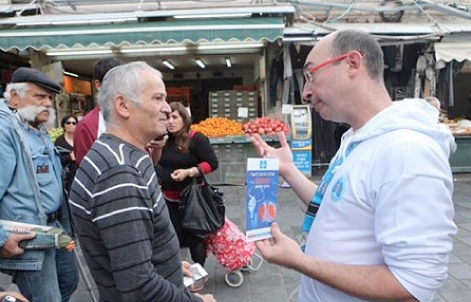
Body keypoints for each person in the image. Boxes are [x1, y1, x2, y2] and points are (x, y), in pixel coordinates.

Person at [251, 29, 457, 302]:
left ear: (352, 64)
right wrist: (289, 170)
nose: (306, 92)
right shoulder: (358, 138)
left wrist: (301, 261)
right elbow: (335, 205)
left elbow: (411, 287)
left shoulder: (407, 152)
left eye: (311, 75)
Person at [68, 62, 216, 302]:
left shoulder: (127, 154)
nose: (167, 109)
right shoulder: (118, 173)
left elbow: (129, 250)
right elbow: (138, 286)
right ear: (123, 106)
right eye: (158, 98)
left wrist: (169, 263)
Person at [0, 67, 79, 302]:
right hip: (28, 234)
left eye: (50, 98)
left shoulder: (36, 128)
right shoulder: (5, 131)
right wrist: (2, 239)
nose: (47, 103)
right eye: (39, 96)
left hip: (55, 229)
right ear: (15, 96)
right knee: (46, 297)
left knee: (69, 280)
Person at [154, 102, 219, 291]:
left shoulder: (196, 139)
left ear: (184, 118)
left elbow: (212, 163)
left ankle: (199, 274)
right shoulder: (164, 140)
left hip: (191, 199)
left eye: (175, 117)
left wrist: (189, 172)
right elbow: (157, 163)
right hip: (168, 198)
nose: (170, 122)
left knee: (194, 236)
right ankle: (179, 272)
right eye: (167, 118)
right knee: (170, 235)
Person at [73, 58, 124, 166]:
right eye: (111, 82)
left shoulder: (134, 117)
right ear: (98, 85)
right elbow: (85, 170)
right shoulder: (87, 126)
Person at [55, 114, 78, 193]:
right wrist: (70, 157)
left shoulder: (80, 138)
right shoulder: (59, 142)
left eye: (74, 123)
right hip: (67, 176)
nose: (71, 125)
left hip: (80, 174)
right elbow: (56, 160)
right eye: (68, 123)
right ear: (63, 125)